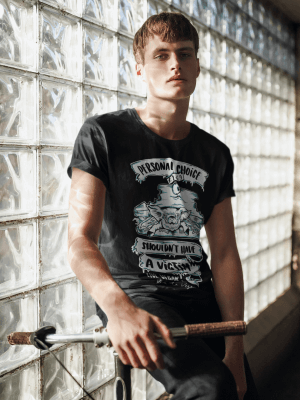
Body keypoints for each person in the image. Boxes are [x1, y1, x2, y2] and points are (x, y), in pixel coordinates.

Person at [67, 12, 259, 400]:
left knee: (239, 392)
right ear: (139, 69)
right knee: (208, 388)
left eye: (185, 54)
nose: (175, 64)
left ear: (198, 65)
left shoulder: (214, 153)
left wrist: (235, 350)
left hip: (199, 294)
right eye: (161, 55)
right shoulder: (103, 134)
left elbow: (224, 255)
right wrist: (117, 307)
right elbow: (79, 242)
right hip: (139, 295)